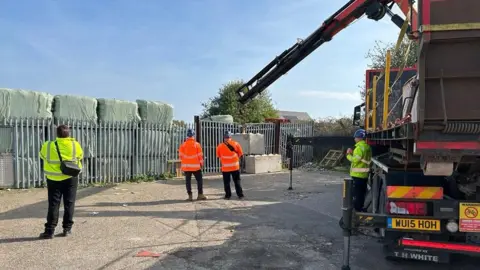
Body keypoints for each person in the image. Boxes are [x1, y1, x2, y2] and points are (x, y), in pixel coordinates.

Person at [39, 125, 83, 239]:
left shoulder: (48, 145)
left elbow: (42, 156)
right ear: (68, 134)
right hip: (71, 177)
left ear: (57, 134)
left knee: (53, 204)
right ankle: (67, 229)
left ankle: (49, 231)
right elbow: (80, 156)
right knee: (69, 203)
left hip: (53, 179)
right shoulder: (75, 144)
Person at [346, 128, 372, 212]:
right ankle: (360, 207)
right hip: (364, 175)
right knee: (361, 193)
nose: (354, 139)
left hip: (357, 175)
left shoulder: (358, 148)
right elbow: (362, 158)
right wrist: (353, 152)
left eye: (355, 137)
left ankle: (357, 210)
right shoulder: (367, 147)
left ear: (360, 138)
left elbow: (355, 160)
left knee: (357, 194)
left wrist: (348, 155)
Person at [179, 129, 207, 201]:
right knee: (199, 180)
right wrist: (201, 163)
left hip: (186, 167)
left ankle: (190, 196)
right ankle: (200, 195)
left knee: (188, 181)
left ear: (187, 136)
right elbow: (200, 156)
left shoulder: (183, 145)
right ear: (193, 135)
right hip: (196, 167)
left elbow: (181, 156)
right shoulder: (197, 144)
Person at [216, 131, 244, 200]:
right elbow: (240, 154)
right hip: (235, 167)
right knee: (237, 181)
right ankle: (240, 195)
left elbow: (218, 156)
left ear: (224, 137)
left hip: (225, 168)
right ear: (230, 137)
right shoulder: (236, 144)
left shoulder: (220, 146)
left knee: (226, 182)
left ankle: (228, 195)